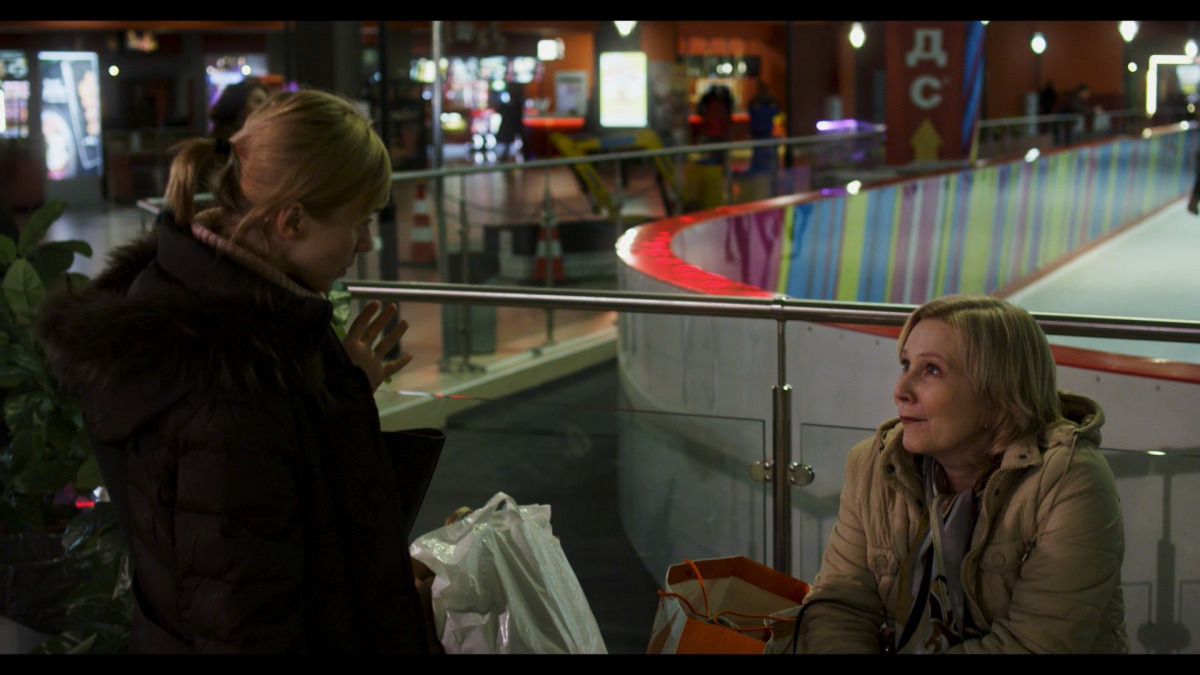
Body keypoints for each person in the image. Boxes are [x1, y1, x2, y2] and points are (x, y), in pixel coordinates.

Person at [35, 88, 438, 653]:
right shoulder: (232, 385)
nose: (367, 243)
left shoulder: (209, 309)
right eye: (360, 222)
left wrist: (336, 390)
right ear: (292, 220)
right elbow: (246, 615)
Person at [797, 294, 1127, 653]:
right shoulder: (873, 463)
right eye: (905, 364)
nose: (900, 391)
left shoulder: (1070, 481)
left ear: (997, 390)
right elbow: (840, 605)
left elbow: (1034, 646)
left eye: (931, 370)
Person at [209, 77, 269, 141]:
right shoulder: (221, 143)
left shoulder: (262, 139)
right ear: (240, 105)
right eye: (258, 102)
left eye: (267, 103)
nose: (265, 107)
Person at [746, 80, 780, 172]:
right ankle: (758, 169)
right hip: (758, 131)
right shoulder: (755, 101)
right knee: (758, 152)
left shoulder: (769, 101)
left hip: (766, 131)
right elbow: (752, 111)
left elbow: (775, 111)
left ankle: (766, 169)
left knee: (766, 151)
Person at [697, 84, 733, 164]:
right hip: (718, 134)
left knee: (715, 155)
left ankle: (717, 168)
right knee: (718, 156)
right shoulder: (721, 106)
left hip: (714, 133)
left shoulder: (712, 106)